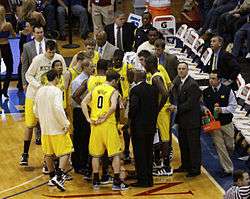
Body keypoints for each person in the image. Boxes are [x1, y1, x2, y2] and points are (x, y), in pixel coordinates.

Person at [20, 40, 66, 166]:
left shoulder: (59, 58)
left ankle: (48, 159)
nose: (51, 54)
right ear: (45, 50)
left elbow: (64, 75)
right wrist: (39, 86)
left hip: (50, 98)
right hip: (34, 95)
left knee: (47, 127)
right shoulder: (37, 59)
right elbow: (28, 75)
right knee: (30, 125)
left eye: (53, 52)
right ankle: (25, 154)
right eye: (49, 52)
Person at [81, 70, 129, 191]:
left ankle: (96, 181)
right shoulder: (114, 91)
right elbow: (113, 106)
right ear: (113, 81)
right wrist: (105, 117)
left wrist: (88, 118)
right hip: (108, 125)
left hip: (95, 125)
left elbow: (83, 102)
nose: (117, 84)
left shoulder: (96, 89)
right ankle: (117, 182)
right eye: (116, 82)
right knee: (115, 154)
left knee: (95, 155)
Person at [34, 69, 73, 191]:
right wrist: (65, 122)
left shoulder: (40, 91)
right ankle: (60, 175)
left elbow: (35, 109)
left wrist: (42, 118)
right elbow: (58, 108)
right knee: (67, 150)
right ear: (56, 78)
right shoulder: (56, 91)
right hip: (57, 127)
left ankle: (52, 177)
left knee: (48, 154)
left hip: (45, 127)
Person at [203, 70, 237, 177]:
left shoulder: (228, 91)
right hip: (214, 124)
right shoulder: (206, 91)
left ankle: (226, 162)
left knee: (230, 145)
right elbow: (203, 105)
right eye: (210, 78)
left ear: (219, 80)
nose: (211, 81)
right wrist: (204, 109)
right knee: (220, 146)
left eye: (213, 79)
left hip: (227, 123)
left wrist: (222, 110)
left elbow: (233, 106)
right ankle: (228, 169)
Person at [171, 62, 202, 177]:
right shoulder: (178, 81)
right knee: (183, 144)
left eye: (183, 69)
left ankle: (195, 169)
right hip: (183, 120)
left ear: (187, 70)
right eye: (179, 69)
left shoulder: (192, 84)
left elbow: (190, 103)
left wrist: (176, 108)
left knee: (193, 146)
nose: (181, 71)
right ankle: (185, 165)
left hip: (192, 121)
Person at [144, 55, 173, 176]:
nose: (144, 66)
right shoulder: (155, 76)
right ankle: (158, 162)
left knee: (164, 138)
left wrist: (157, 109)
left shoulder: (156, 78)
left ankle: (166, 167)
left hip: (162, 111)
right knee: (159, 137)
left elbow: (165, 94)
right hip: (160, 110)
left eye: (146, 63)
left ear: (150, 64)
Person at [129, 70, 158, 187]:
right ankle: (149, 179)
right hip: (151, 126)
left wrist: (129, 119)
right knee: (148, 153)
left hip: (138, 127)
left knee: (140, 154)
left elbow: (134, 108)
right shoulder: (153, 89)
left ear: (137, 77)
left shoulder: (135, 90)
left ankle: (142, 180)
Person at [70, 55, 93, 175]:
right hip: (80, 112)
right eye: (91, 66)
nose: (93, 68)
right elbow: (74, 98)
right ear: (85, 67)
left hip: (86, 111)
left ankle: (85, 162)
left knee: (87, 138)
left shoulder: (91, 79)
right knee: (80, 139)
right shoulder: (78, 81)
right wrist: (86, 107)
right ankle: (78, 164)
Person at [21, 24, 47, 91]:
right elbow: (24, 66)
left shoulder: (51, 43)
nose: (40, 34)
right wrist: (24, 83)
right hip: (34, 80)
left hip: (50, 79)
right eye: (38, 33)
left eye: (41, 32)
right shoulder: (27, 46)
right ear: (33, 33)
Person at [0, 5, 16, 98]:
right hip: (5, 46)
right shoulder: (8, 25)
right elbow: (14, 35)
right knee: (9, 68)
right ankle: (5, 90)